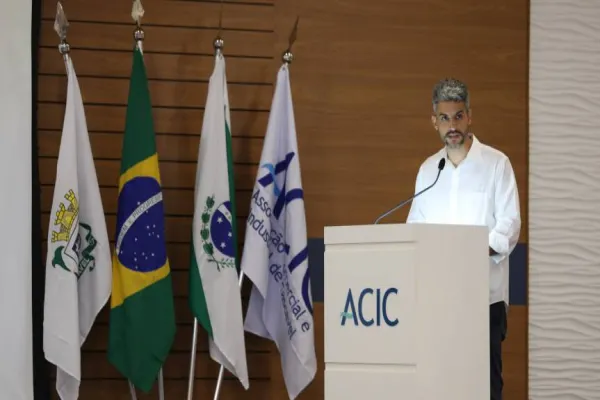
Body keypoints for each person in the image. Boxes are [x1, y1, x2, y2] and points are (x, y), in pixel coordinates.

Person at [406, 78, 521, 400]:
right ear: (434, 122)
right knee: (440, 387)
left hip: (484, 299)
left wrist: (471, 251)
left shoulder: (496, 164)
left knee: (484, 388)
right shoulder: (429, 170)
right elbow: (415, 226)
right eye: (444, 118)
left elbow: (510, 224)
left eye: (458, 116)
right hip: (438, 300)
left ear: (469, 116)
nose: (452, 126)